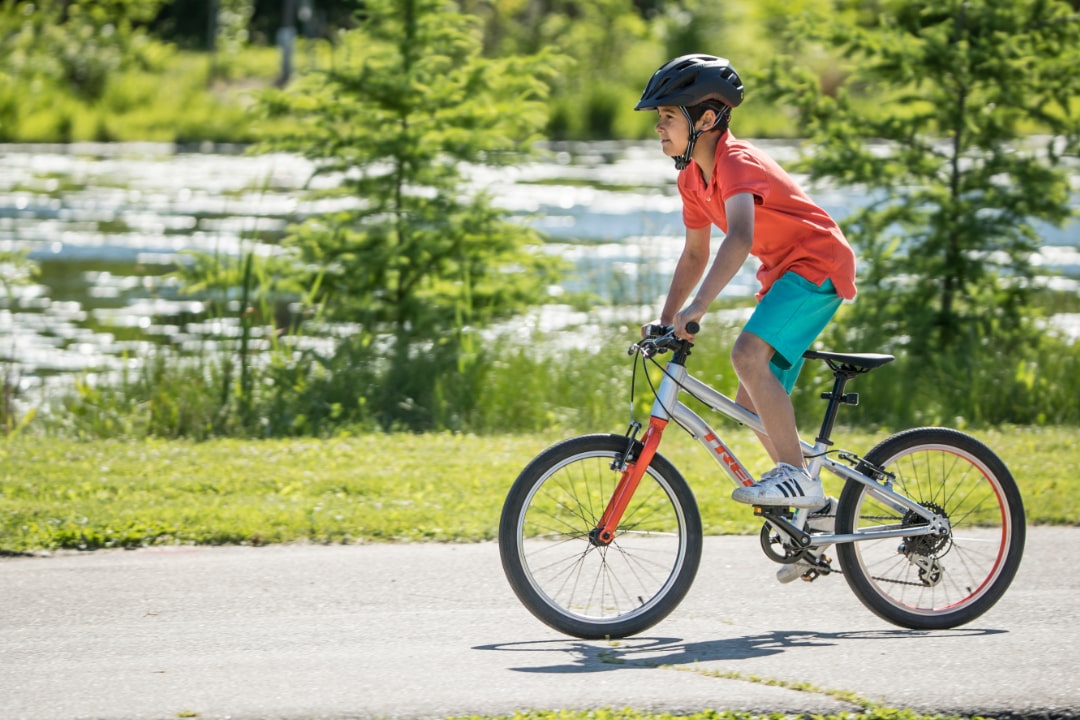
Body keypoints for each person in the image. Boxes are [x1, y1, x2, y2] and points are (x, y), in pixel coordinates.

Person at [635, 54, 857, 515]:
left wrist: (698, 307)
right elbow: (695, 253)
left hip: (816, 263)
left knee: (745, 355)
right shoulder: (693, 179)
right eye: (659, 118)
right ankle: (814, 510)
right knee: (749, 398)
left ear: (708, 118)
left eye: (668, 116)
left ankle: (797, 479)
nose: (659, 127)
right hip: (783, 274)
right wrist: (664, 320)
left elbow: (739, 236)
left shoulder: (736, 161)